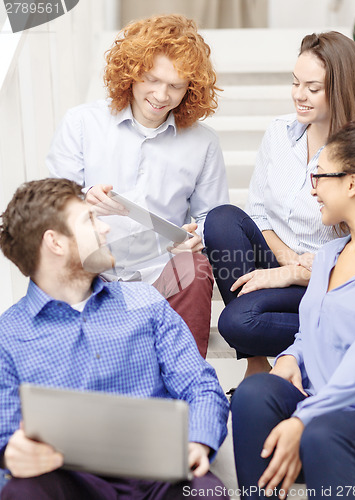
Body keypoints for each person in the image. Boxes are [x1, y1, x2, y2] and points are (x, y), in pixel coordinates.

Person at [0, 178, 230, 500]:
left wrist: (198, 441)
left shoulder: (144, 301)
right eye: (89, 220)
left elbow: (201, 386)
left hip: (158, 476)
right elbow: (4, 430)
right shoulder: (9, 334)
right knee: (23, 491)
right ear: (55, 243)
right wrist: (11, 453)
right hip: (69, 483)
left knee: (205, 491)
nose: (105, 229)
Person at [46, 14, 229, 358]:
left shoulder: (203, 143)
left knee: (198, 267)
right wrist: (83, 201)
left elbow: (212, 217)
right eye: (151, 79)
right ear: (130, 72)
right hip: (93, 271)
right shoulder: (82, 123)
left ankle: (185, 381)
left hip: (163, 272)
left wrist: (195, 236)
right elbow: (50, 205)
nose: (161, 96)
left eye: (176, 86)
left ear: (191, 87)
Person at [231, 120, 355, 499]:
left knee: (322, 433)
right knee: (253, 393)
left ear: (351, 184)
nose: (312, 188)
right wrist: (288, 357)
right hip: (319, 404)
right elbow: (309, 334)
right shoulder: (329, 256)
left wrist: (303, 418)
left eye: (319, 176)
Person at [204, 30, 355, 377]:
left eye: (312, 88)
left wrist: (294, 274)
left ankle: (322, 338)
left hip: (326, 282)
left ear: (341, 90)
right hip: (279, 258)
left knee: (239, 321)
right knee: (222, 219)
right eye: (295, 82)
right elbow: (258, 213)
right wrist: (283, 264)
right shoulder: (278, 132)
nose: (298, 95)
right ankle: (256, 362)